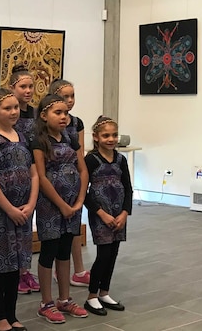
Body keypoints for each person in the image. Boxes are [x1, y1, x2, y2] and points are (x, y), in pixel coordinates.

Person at [0, 88, 39, 331]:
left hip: (23, 211)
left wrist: (31, 203)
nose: (13, 112)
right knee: (0, 265)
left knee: (16, 265)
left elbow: (34, 172)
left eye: (15, 107)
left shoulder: (23, 136)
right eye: (7, 108)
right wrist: (9, 208)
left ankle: (12, 314)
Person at [32, 95, 89, 324]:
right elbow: (42, 176)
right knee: (49, 250)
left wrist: (79, 200)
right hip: (50, 205)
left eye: (65, 112)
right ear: (44, 115)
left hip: (73, 203)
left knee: (65, 249)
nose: (64, 116)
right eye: (58, 112)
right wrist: (62, 205)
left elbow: (82, 170)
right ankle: (46, 302)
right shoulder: (39, 140)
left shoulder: (71, 137)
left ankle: (64, 299)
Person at [83, 116, 130, 316]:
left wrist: (125, 213)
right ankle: (92, 296)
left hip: (118, 213)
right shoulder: (91, 160)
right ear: (96, 137)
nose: (110, 139)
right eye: (105, 135)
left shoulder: (121, 159)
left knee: (113, 254)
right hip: (101, 214)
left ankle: (105, 292)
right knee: (103, 254)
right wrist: (101, 213)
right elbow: (83, 192)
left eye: (113, 135)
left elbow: (128, 188)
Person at [48, 79, 90, 288]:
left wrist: (81, 186)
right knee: (55, 233)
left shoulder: (76, 123)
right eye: (65, 97)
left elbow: (79, 153)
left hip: (73, 181)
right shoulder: (45, 128)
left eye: (73, 96)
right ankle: (55, 271)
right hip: (53, 185)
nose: (70, 101)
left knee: (73, 228)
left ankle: (79, 269)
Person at [7, 64, 40, 294]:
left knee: (27, 225)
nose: (28, 91)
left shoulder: (37, 114)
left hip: (31, 172)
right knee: (12, 227)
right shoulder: (10, 113)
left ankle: (25, 270)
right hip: (10, 174)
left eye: (30, 86)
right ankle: (13, 272)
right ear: (13, 88)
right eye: (23, 87)